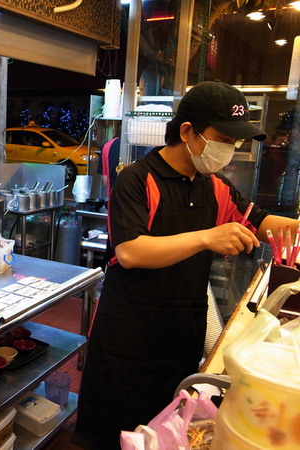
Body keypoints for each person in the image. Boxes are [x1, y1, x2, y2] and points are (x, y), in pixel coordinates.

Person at [73, 81, 300, 449]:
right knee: (112, 433)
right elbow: (130, 251)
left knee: (169, 430)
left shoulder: (215, 186)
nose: (229, 148)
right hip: (128, 338)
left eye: (234, 141)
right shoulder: (137, 179)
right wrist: (207, 237)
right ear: (187, 131)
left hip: (181, 333)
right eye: (223, 138)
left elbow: (262, 223)